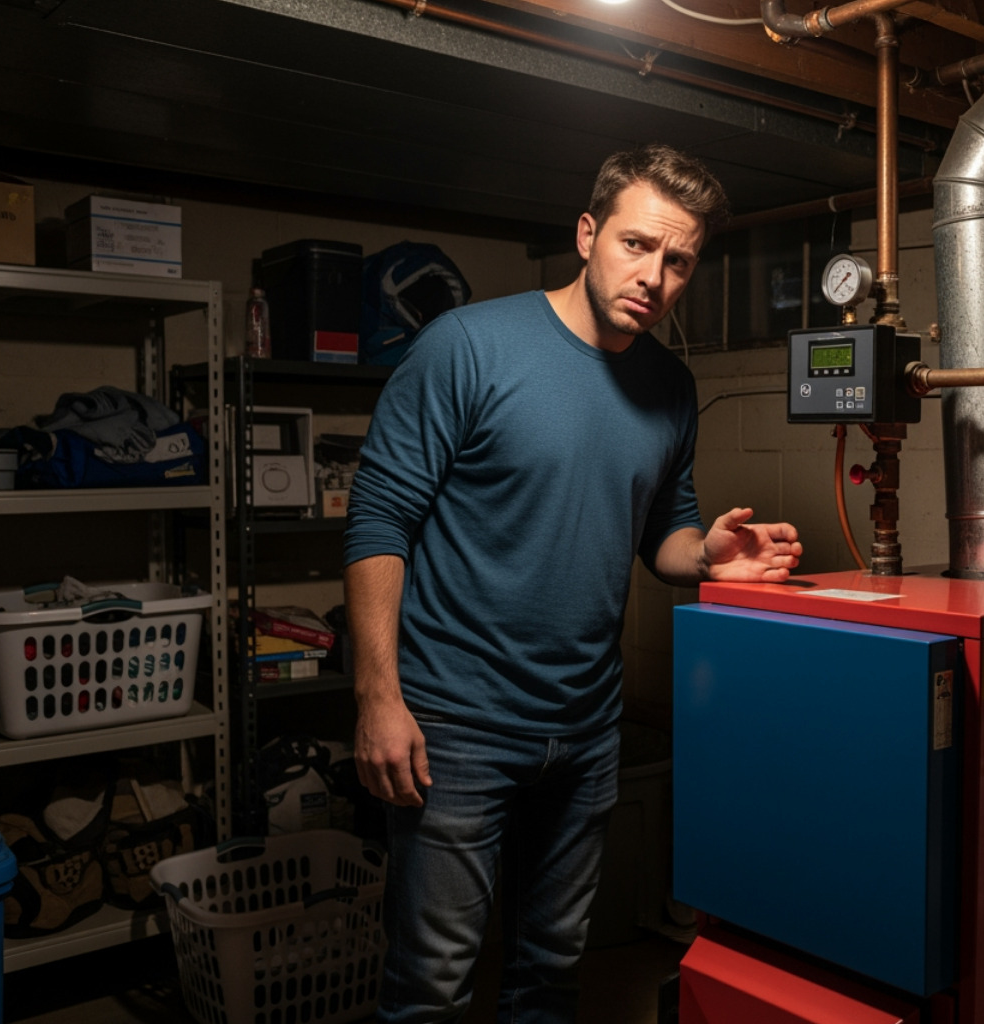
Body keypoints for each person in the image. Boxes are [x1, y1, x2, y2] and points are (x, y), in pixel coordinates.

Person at [342, 143, 802, 1023]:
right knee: (432, 984)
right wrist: (378, 699)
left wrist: (707, 556)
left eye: (679, 261)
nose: (654, 277)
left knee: (552, 971)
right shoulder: (466, 348)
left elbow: (663, 532)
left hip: (586, 730)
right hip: (457, 726)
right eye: (636, 245)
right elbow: (378, 524)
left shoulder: (669, 383)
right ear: (588, 234)